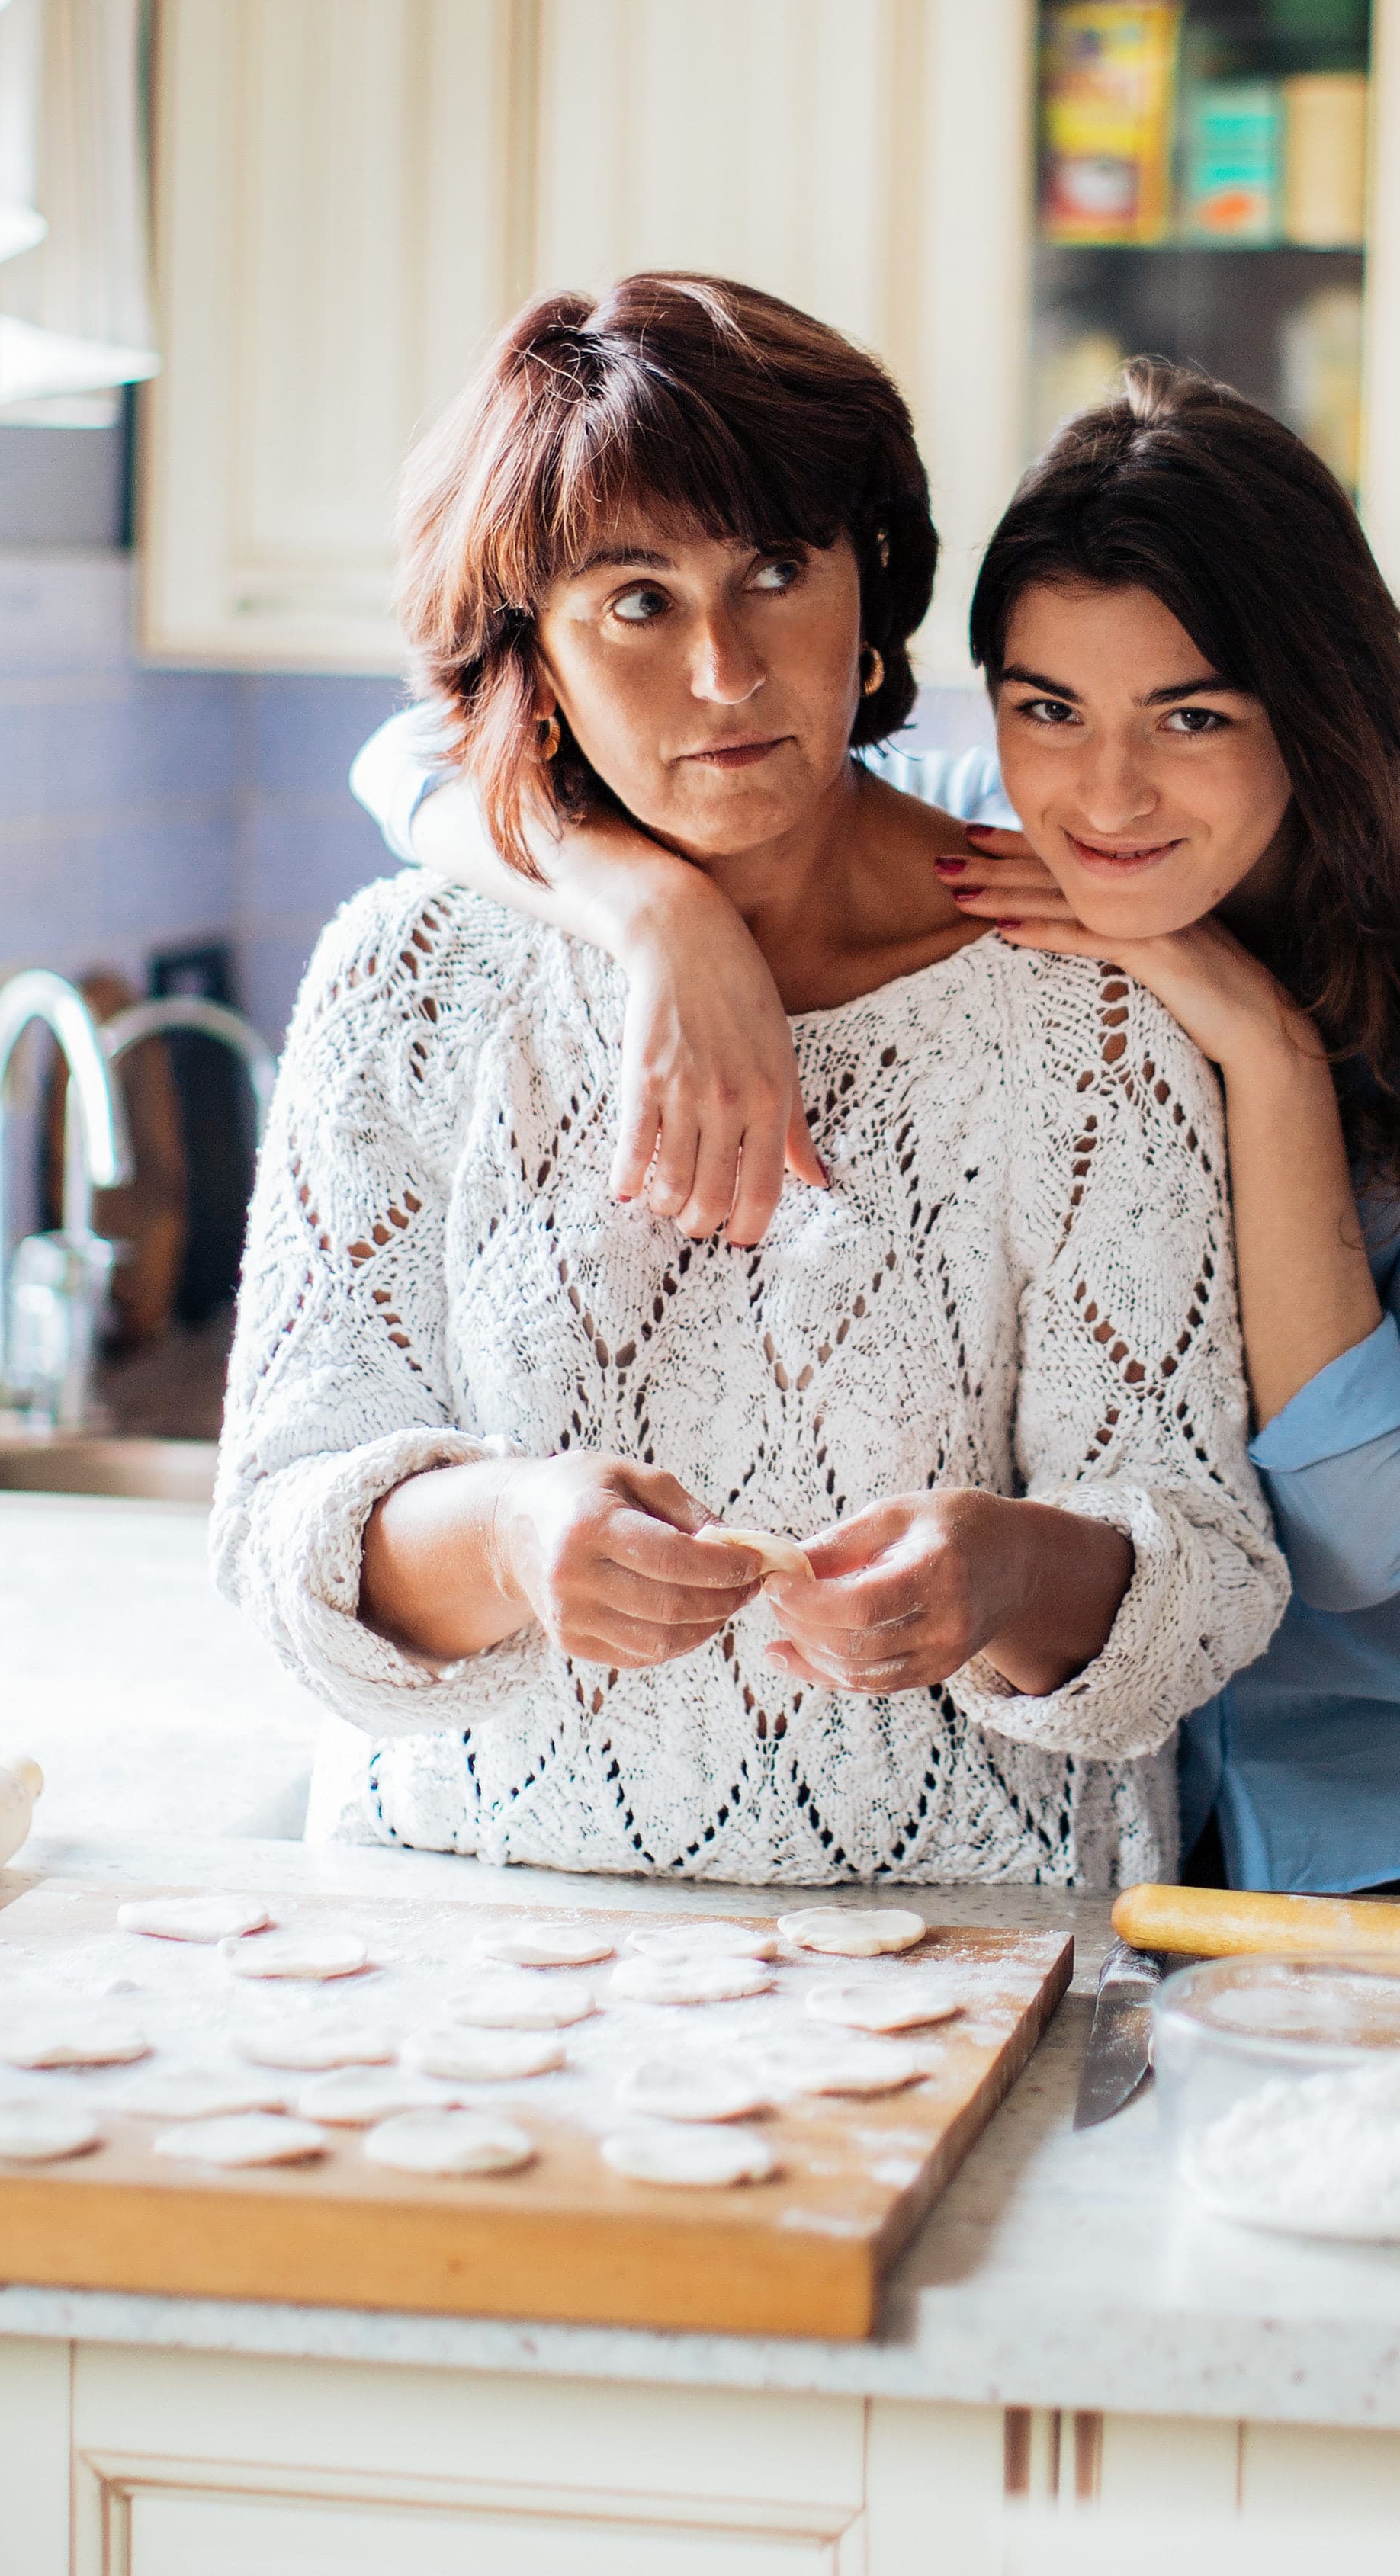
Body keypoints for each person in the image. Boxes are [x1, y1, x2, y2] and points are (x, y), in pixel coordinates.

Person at [359, 357, 1400, 1904]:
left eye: (1193, 714)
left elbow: (1371, 1538)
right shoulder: (990, 831)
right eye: (1049, 705)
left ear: (1319, 711)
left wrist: (1260, 1041)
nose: (1106, 792)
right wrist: (656, 914)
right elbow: (416, 763)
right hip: (1103, 1820)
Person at [216, 279, 1288, 1894]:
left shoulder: (1087, 998)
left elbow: (1204, 1572)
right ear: (536, 657)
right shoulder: (407, 981)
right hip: (459, 1946)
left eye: (776, 572)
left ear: (872, 597)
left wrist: (1009, 1573)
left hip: (971, 1946)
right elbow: (278, 1536)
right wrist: (509, 1533)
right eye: (634, 602)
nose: (724, 668)